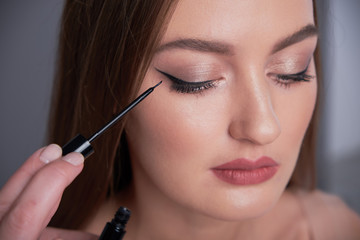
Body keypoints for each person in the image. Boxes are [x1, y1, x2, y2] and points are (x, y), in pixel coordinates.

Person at [0, 0, 359, 239]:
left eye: (292, 70)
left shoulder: (335, 227)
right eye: (196, 79)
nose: (264, 127)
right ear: (109, 88)